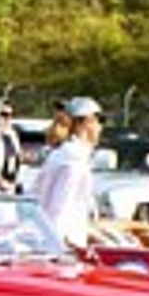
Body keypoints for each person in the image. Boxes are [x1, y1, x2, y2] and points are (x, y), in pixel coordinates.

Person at [33, 95, 105, 248]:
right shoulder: (73, 161)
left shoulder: (65, 154)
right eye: (100, 119)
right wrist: (62, 245)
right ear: (87, 122)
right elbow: (60, 207)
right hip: (61, 244)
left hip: (48, 236)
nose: (101, 127)